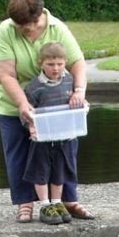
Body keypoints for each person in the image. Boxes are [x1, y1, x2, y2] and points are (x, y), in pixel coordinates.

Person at [0, 0, 94, 224]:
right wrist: (23, 104)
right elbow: (4, 73)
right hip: (13, 102)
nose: (22, 30)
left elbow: (78, 63)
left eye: (26, 26)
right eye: (18, 25)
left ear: (38, 17)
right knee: (19, 152)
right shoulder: (6, 30)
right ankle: (25, 204)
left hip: (56, 104)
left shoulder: (56, 28)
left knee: (64, 151)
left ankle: (68, 200)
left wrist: (78, 92)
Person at [23, 41, 78, 226]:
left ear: (65, 62)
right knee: (41, 170)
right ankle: (45, 204)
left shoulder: (70, 81)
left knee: (59, 171)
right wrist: (30, 125)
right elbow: (25, 111)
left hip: (64, 136)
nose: (55, 69)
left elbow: (77, 104)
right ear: (41, 63)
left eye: (60, 64)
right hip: (41, 138)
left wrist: (83, 107)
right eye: (51, 64)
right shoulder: (33, 87)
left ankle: (57, 201)